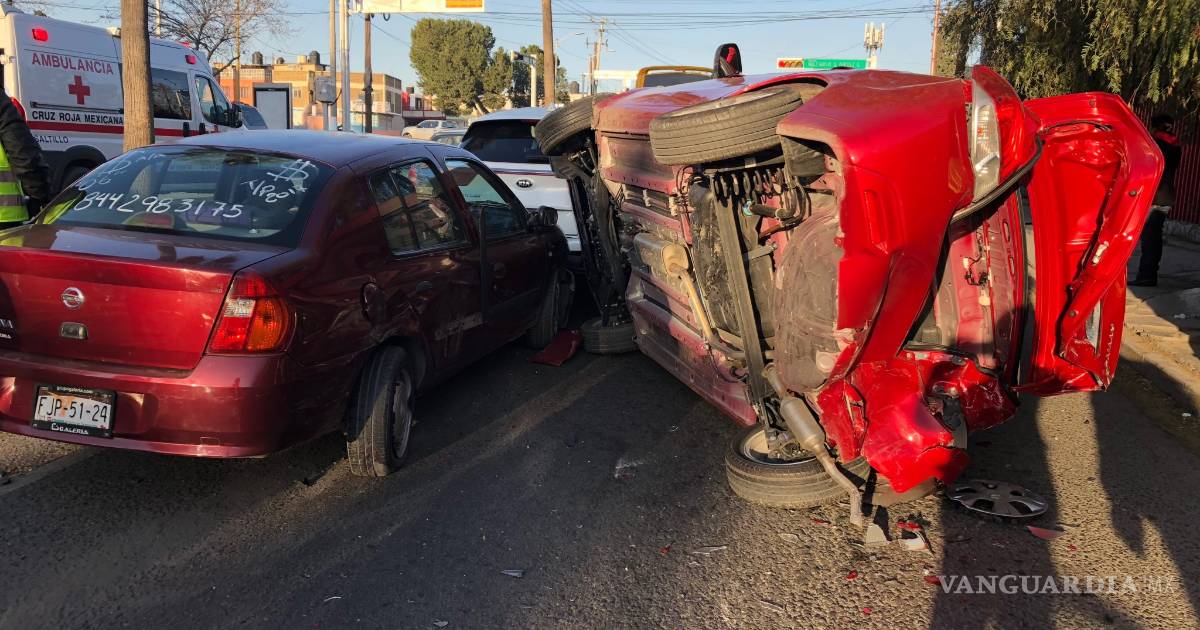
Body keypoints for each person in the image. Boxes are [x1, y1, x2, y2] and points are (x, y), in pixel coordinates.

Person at [1131, 114, 1182, 287]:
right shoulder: (1175, 145)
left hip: (1153, 196)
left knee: (1149, 239)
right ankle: (1149, 273)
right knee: (1154, 238)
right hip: (1165, 196)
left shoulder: (1154, 145)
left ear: (1154, 126)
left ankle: (1146, 276)